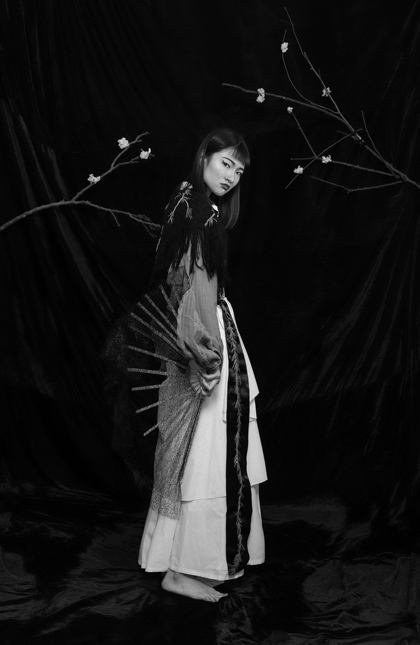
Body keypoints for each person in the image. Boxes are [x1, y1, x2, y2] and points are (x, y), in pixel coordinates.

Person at [105, 128, 267, 602]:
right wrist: (202, 349)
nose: (231, 176)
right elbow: (188, 283)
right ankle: (181, 569)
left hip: (210, 325)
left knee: (203, 450)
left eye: (239, 170)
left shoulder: (195, 207)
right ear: (204, 158)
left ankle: (193, 560)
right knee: (199, 451)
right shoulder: (193, 209)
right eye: (225, 163)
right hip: (200, 332)